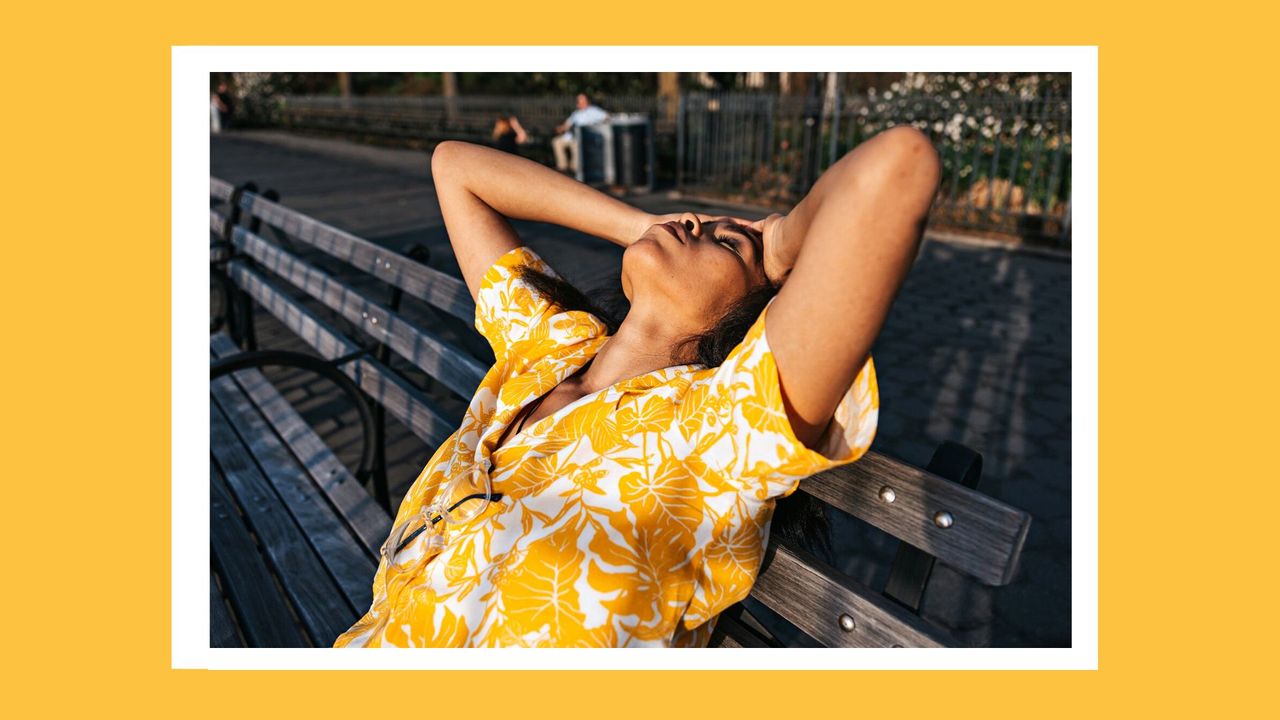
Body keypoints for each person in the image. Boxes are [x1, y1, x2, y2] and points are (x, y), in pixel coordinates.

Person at [333, 126, 941, 648]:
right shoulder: (549, 347)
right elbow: (456, 167)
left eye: (726, 243)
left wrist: (776, 243)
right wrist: (647, 225)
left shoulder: (721, 428)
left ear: (754, 321)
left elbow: (898, 167)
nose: (699, 223)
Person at [551, 93, 608, 172]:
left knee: (577, 144)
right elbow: (567, 125)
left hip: (582, 137)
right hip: (569, 137)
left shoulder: (594, 111)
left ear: (586, 101)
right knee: (557, 142)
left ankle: (574, 168)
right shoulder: (575, 114)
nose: (579, 102)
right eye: (578, 101)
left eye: (581, 100)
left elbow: (606, 117)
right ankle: (562, 167)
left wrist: (596, 127)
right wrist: (560, 128)